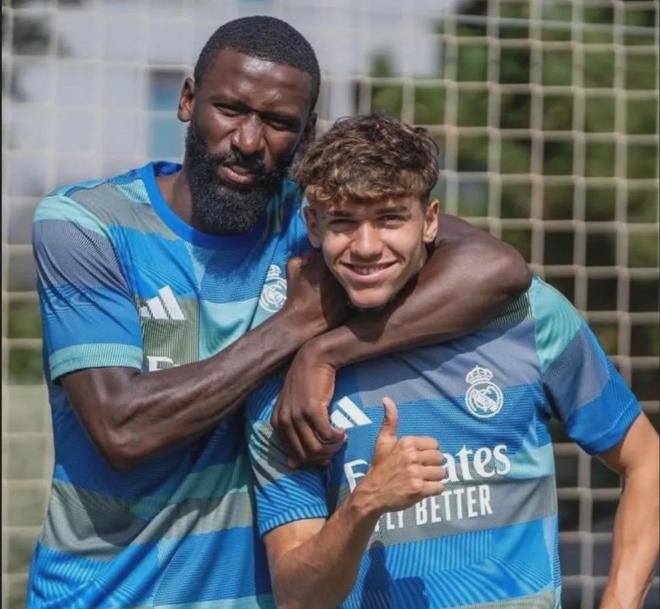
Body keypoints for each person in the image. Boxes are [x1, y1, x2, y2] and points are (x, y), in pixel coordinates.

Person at [27, 16, 530, 609]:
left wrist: (327, 351)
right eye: (229, 109)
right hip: (103, 597)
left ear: (306, 134)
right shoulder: (88, 225)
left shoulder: (318, 222)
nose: (247, 140)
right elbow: (123, 430)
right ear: (187, 101)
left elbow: (498, 268)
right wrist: (294, 326)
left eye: (277, 122)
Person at [246, 114, 660, 609]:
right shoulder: (292, 383)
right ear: (313, 226)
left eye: (390, 219)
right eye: (343, 222)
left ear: (430, 220)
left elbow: (646, 460)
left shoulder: (527, 316)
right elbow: (298, 598)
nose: (367, 247)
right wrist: (365, 504)